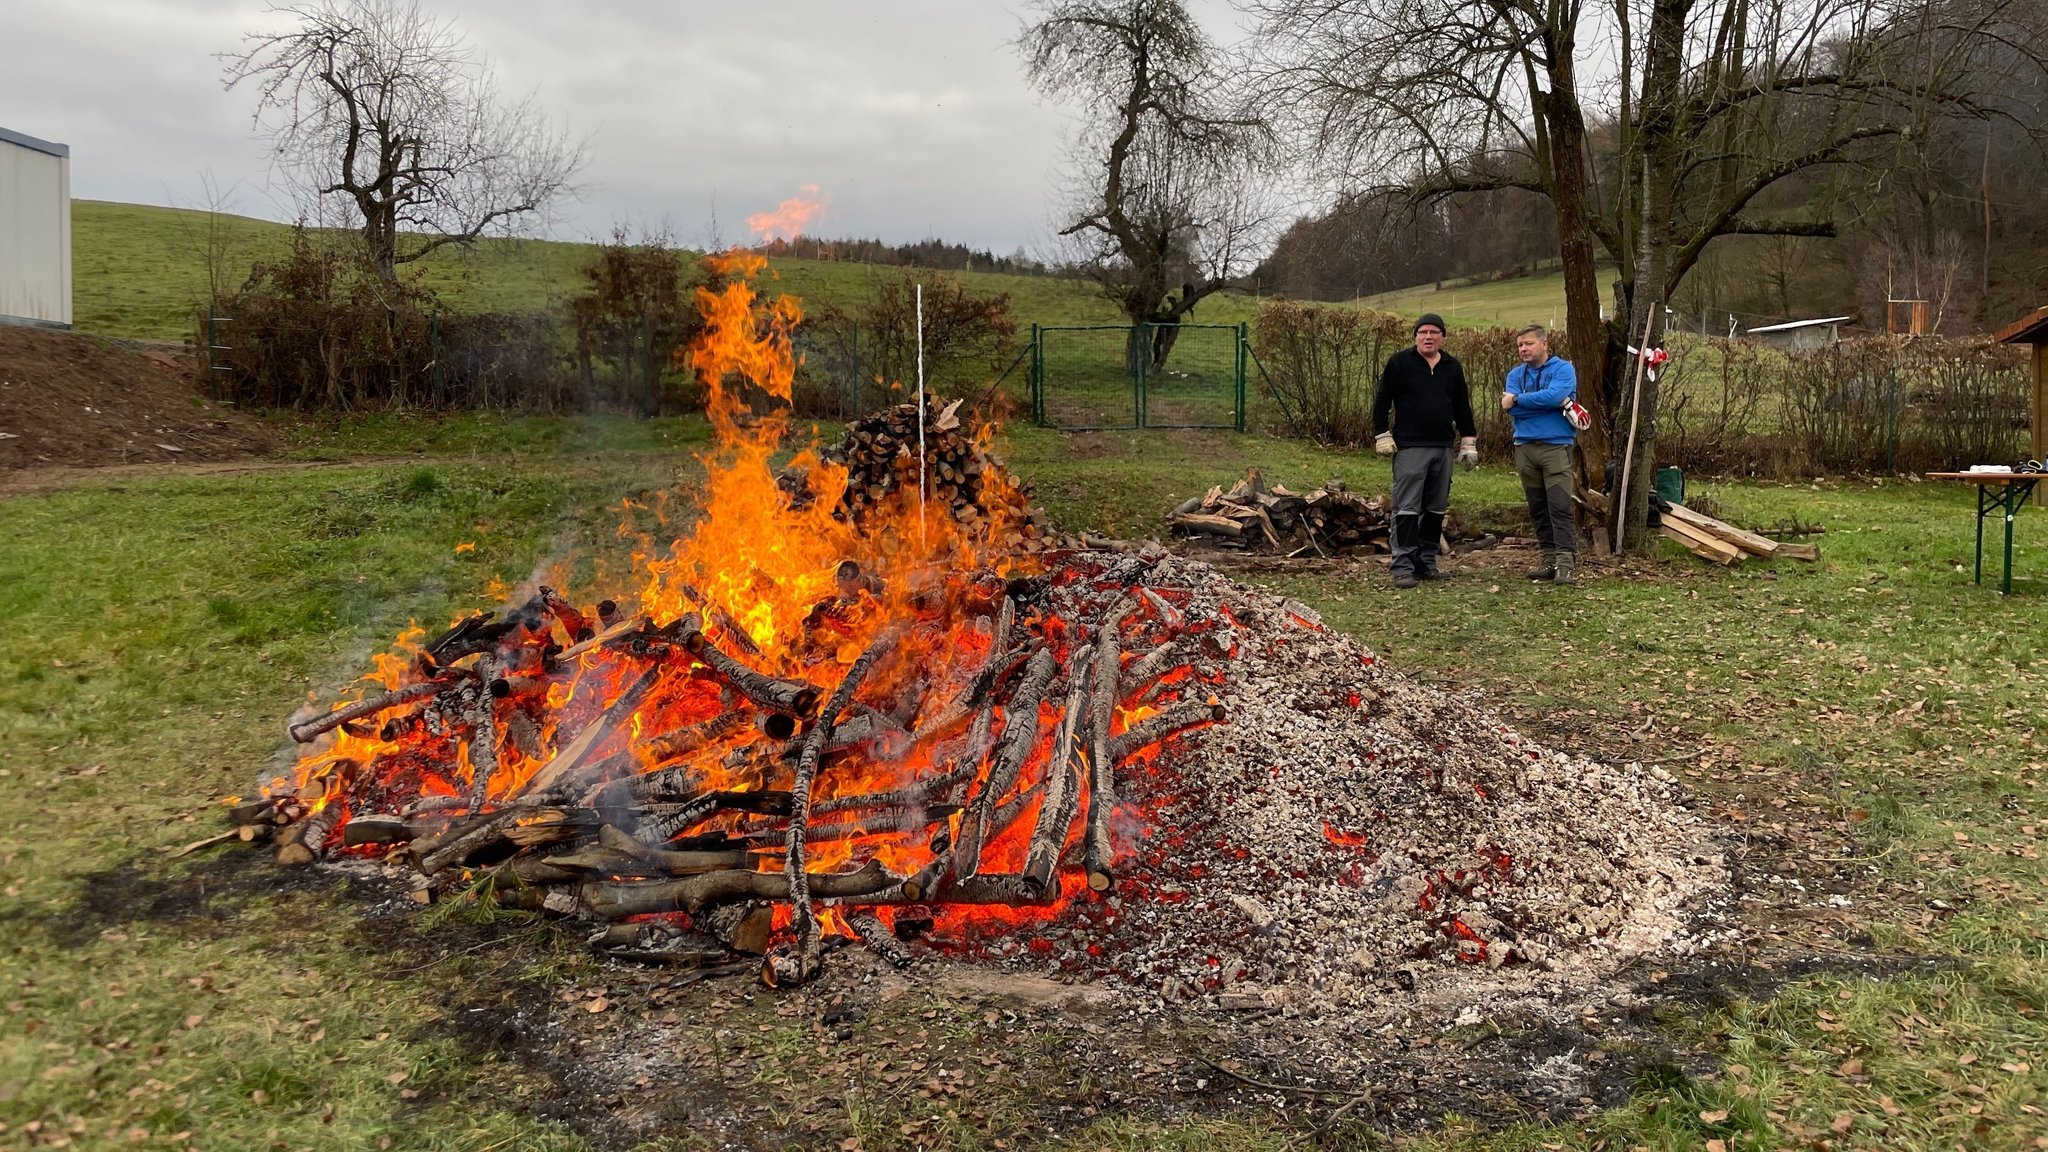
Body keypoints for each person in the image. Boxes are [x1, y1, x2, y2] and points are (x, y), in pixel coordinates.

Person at [1371, 313, 1478, 589]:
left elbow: (1462, 405)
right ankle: (1403, 565)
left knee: (1434, 509)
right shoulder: (1399, 363)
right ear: (1415, 336)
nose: (1428, 337)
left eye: (1434, 332)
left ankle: (1426, 562)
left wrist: (1469, 439)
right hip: (1410, 447)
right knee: (1406, 509)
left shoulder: (1452, 366)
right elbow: (1382, 401)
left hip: (1442, 447)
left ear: (1442, 337)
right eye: (1422, 332)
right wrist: (1382, 434)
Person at [1501, 324, 1580, 585]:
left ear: (1544, 344)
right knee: (1538, 508)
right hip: (1525, 447)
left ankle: (1566, 564)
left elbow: (1556, 395)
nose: (1523, 349)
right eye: (1520, 345)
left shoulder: (1563, 369)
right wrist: (1543, 403)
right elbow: (1512, 410)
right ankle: (1548, 559)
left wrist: (1519, 400)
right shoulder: (1515, 374)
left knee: (1559, 506)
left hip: (1556, 447)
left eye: (1529, 343)